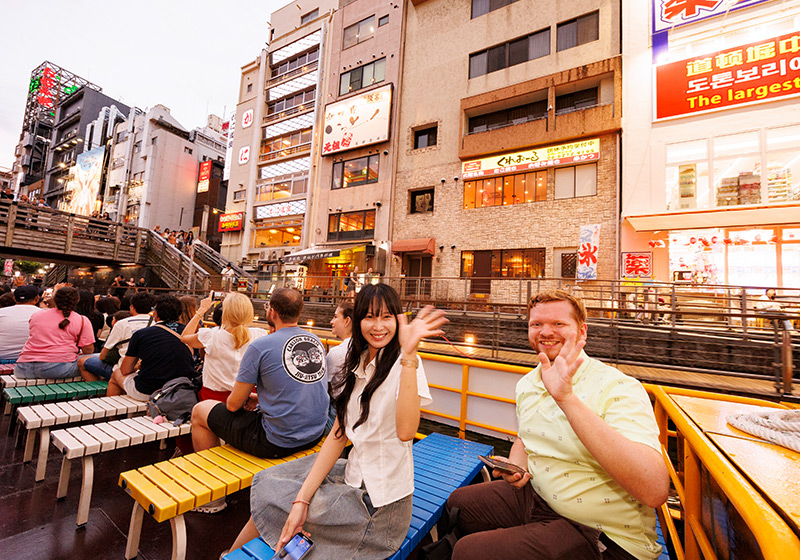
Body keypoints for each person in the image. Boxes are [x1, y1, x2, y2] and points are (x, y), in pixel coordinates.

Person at [446, 290, 669, 560]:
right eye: (536, 324)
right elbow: (526, 437)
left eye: (558, 324)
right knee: (460, 504)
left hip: (600, 532)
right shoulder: (528, 383)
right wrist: (518, 467)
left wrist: (566, 399)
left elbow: (655, 490)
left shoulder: (617, 386)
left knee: (469, 553)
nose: (545, 332)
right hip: (540, 495)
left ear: (582, 331)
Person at [227, 283, 447, 558]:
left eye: (386, 317)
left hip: (378, 505)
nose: (378, 326)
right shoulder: (357, 361)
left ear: (397, 320)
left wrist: (410, 355)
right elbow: (338, 433)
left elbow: (406, 432)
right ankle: (230, 554)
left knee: (287, 507)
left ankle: (234, 554)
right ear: (358, 322)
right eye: (369, 316)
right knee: (274, 483)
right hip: (352, 477)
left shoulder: (406, 364)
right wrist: (301, 500)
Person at [189, 288, 328, 513]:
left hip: (276, 441)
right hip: (314, 433)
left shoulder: (261, 346)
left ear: (271, 312)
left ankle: (212, 499)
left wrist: (247, 399)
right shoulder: (315, 341)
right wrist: (260, 399)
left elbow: (233, 405)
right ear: (300, 312)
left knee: (200, 411)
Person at [181, 292, 268, 402]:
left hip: (212, 399)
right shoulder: (260, 335)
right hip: (247, 398)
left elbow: (184, 337)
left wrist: (201, 310)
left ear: (225, 313)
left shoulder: (211, 336)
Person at [107, 295, 195, 401]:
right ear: (179, 314)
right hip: (180, 389)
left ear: (155, 314)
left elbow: (125, 370)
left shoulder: (142, 334)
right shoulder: (189, 332)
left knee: (116, 374)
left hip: (148, 390)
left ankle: (112, 416)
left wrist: (138, 367)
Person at [14, 286, 95, 379]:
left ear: (54, 299)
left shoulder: (37, 315)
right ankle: (98, 392)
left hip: (22, 368)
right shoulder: (81, 320)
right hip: (56, 369)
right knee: (97, 359)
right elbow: (88, 350)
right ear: (77, 301)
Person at [77, 291, 154, 382]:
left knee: (82, 362)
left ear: (132, 307)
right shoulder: (156, 323)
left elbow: (103, 356)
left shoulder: (123, 323)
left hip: (123, 370)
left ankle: (98, 392)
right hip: (146, 369)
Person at [324, 300, 353, 432]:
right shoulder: (365, 348)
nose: (331, 321)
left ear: (347, 321)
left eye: (335, 317)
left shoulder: (337, 353)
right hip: (356, 413)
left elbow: (322, 387)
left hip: (337, 416)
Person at [0, 285, 41, 361]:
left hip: (3, 357)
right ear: (37, 298)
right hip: (33, 360)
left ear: (14, 299)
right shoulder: (45, 314)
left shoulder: (1, 312)